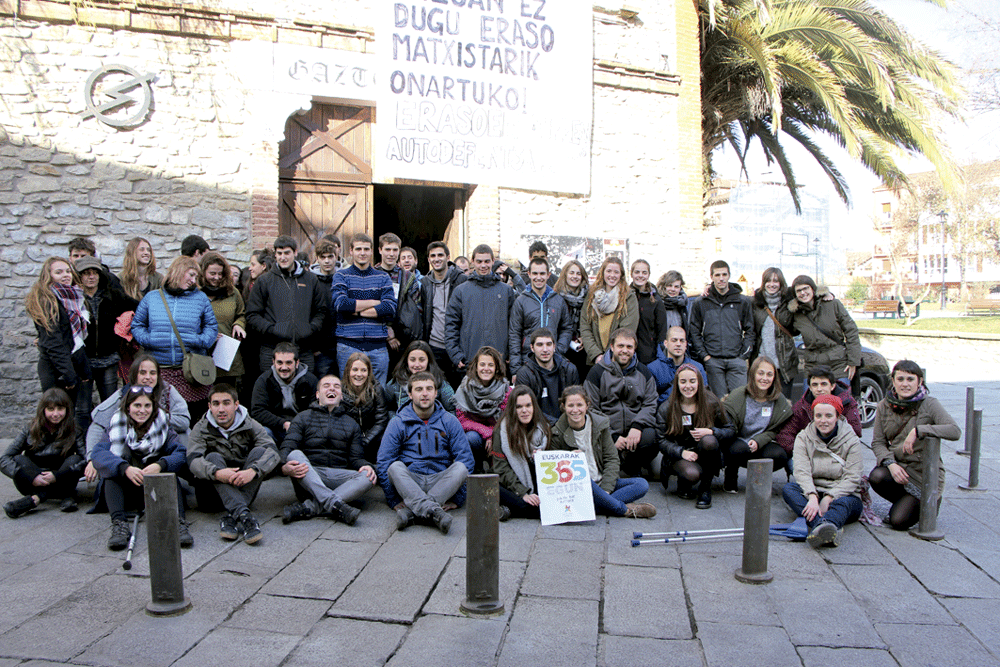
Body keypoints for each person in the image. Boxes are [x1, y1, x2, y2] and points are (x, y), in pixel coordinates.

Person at [91, 385, 192, 550]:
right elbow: (98, 454)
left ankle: (179, 523)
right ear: (128, 406)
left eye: (147, 406)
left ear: (153, 407)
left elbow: (180, 453)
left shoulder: (163, 424)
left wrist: (160, 465)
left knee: (170, 476)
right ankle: (119, 525)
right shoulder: (116, 424)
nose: (142, 411)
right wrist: (124, 467)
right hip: (125, 489)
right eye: (137, 405)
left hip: (154, 487)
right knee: (111, 475)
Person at [376, 371, 474, 533]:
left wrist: (458, 498)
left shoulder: (449, 421)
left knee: (461, 468)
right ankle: (434, 511)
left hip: (441, 481)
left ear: (436, 393)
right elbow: (384, 462)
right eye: (419, 389)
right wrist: (393, 499)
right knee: (394, 467)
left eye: (429, 389)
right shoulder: (398, 423)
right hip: (410, 481)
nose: (424, 393)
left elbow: (466, 459)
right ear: (409, 394)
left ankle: (411, 512)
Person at [868, 360, 960, 530]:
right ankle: (905, 502)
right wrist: (891, 464)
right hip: (901, 468)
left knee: (898, 522)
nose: (905, 384)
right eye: (900, 379)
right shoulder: (883, 406)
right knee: (877, 476)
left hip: (923, 476)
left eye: (910, 379)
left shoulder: (930, 404)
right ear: (893, 381)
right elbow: (878, 442)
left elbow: (954, 431)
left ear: (920, 381)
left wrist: (920, 430)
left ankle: (926, 503)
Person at [187, 384, 281, 545]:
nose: (221, 409)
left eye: (226, 403)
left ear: (236, 405)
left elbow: (273, 452)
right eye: (216, 404)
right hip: (212, 496)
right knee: (212, 456)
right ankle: (245, 516)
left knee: (260, 453)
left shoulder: (249, 423)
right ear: (209, 406)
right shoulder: (201, 427)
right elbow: (193, 461)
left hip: (241, 485)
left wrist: (253, 471)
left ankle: (233, 516)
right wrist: (216, 473)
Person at [279, 375, 376, 525]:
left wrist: (366, 466)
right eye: (326, 386)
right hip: (309, 476)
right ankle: (335, 504)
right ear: (318, 394)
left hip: (338, 479)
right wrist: (284, 468)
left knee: (368, 476)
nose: (331, 388)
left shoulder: (352, 423)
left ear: (341, 396)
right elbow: (287, 446)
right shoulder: (302, 417)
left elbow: (356, 458)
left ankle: (311, 507)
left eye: (336, 386)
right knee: (294, 454)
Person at [130, 256, 218, 419]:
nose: (194, 280)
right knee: (161, 416)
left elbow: (211, 327)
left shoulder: (200, 298)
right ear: (178, 271)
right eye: (191, 274)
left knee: (193, 417)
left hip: (190, 371)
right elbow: (136, 325)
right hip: (159, 371)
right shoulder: (152, 297)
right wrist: (149, 339)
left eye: (195, 277)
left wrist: (199, 341)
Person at [549, 386, 656, 518]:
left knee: (641, 484)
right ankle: (624, 509)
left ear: (587, 405)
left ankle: (597, 506)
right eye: (570, 405)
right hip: (581, 486)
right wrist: (569, 461)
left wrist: (606, 490)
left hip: (602, 481)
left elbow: (612, 459)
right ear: (563, 406)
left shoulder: (600, 425)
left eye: (579, 405)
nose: (575, 410)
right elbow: (556, 473)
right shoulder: (557, 433)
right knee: (584, 479)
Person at [85, 353, 191, 483]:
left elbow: (184, 421)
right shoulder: (125, 394)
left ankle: (184, 477)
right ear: (135, 375)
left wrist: (156, 419)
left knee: (184, 435)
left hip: (160, 448)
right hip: (130, 454)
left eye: (152, 373)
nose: (148, 377)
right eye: (143, 373)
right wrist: (91, 459)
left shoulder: (167, 391)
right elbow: (98, 418)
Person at [781, 393, 864, 547]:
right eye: (818, 416)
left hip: (843, 494)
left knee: (845, 504)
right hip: (814, 490)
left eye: (828, 416)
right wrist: (812, 496)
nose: (823, 420)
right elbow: (801, 471)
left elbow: (852, 477)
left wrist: (829, 497)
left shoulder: (851, 440)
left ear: (837, 417)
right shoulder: (803, 437)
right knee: (789, 490)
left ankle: (822, 525)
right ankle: (826, 528)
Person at [246, 235, 327, 374]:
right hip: (272, 350)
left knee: (304, 392)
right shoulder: (264, 281)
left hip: (303, 350)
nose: (283, 257)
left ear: (295, 252)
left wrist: (311, 328)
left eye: (287, 253)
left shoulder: (310, 279)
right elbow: (252, 314)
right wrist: (272, 329)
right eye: (279, 253)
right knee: (274, 392)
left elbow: (321, 310)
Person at [656, 365, 734, 509]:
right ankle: (683, 482)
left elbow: (730, 429)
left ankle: (705, 489)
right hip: (680, 454)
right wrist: (681, 452)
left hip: (706, 452)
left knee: (709, 441)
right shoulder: (666, 408)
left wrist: (712, 431)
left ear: (699, 382)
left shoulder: (711, 402)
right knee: (692, 474)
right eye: (683, 382)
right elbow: (661, 440)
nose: (688, 386)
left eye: (692, 381)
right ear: (677, 384)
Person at [584, 328, 658, 478]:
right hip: (607, 431)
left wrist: (637, 426)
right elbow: (591, 408)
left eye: (629, 347)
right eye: (620, 346)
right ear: (612, 346)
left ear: (635, 348)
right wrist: (612, 436)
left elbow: (650, 403)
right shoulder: (596, 373)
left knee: (652, 438)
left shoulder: (644, 372)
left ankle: (631, 465)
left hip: (634, 430)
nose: (625, 351)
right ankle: (614, 464)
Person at [74, 256, 137, 431]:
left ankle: (109, 442)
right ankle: (84, 447)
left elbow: (138, 308)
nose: (91, 277)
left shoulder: (113, 295)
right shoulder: (73, 299)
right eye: (86, 274)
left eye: (94, 273)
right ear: (79, 277)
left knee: (109, 405)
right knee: (83, 409)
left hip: (108, 359)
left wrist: (128, 332)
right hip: (83, 361)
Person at [2, 388, 85, 518]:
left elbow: (85, 460)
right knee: (18, 458)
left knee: (75, 459)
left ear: (67, 410)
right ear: (43, 410)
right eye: (51, 409)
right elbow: (4, 458)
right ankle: (64, 497)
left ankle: (37, 498)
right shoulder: (29, 428)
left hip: (62, 479)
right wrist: (32, 477)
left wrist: (56, 476)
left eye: (60, 409)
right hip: (32, 482)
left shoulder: (75, 429)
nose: (56, 414)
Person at [721, 356, 794, 492]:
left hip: (763, 443)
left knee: (779, 455)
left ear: (774, 377)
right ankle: (731, 476)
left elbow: (775, 430)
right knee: (737, 449)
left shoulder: (779, 401)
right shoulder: (738, 395)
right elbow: (728, 425)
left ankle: (757, 479)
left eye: (769, 374)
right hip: (739, 440)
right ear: (753, 374)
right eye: (761, 373)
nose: (764, 378)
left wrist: (759, 440)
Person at [331, 233, 397, 383]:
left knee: (379, 393)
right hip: (348, 346)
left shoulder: (383, 277)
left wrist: (355, 309)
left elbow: (389, 307)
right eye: (358, 249)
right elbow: (341, 305)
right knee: (349, 392)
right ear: (351, 251)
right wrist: (375, 302)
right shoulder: (341, 276)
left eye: (366, 249)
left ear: (372, 251)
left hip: (378, 347)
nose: (362, 253)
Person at [445, 244, 519, 373]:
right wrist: (456, 355)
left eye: (487, 261)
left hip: (498, 361)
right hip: (470, 361)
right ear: (473, 262)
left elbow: (514, 327)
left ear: (493, 262)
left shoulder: (507, 291)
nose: (483, 265)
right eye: (479, 261)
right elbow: (451, 326)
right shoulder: (461, 291)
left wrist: (510, 354)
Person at [778, 275, 861, 390]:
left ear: (813, 289)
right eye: (798, 291)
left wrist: (853, 361)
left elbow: (851, 331)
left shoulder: (832, 304)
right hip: (813, 364)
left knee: (842, 403)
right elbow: (784, 324)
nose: (803, 293)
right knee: (810, 405)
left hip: (837, 363)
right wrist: (789, 303)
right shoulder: (797, 315)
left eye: (806, 288)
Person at [688, 260, 755, 397]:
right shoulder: (701, 303)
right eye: (717, 275)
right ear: (711, 277)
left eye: (724, 274)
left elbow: (750, 330)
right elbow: (694, 331)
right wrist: (705, 356)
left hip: (737, 359)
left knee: (739, 400)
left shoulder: (741, 301)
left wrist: (743, 356)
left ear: (729, 275)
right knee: (717, 402)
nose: (721, 278)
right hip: (713, 361)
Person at [484, 386, 549, 520]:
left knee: (542, 503)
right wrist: (523, 493)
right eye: (519, 407)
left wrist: (543, 456)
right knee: (531, 507)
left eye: (528, 405)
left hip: (534, 481)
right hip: (508, 482)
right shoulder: (502, 431)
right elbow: (501, 469)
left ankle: (506, 510)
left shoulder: (543, 428)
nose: (524, 410)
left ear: (534, 406)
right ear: (513, 409)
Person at [776, 365, 863, 461]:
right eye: (815, 385)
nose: (819, 389)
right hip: (809, 455)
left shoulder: (847, 403)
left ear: (833, 386)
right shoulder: (801, 406)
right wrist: (803, 451)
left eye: (824, 384)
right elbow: (785, 435)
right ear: (809, 387)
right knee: (794, 465)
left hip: (838, 454)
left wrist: (830, 452)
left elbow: (855, 431)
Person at [508, 257, 572, 377]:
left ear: (548, 275)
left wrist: (558, 349)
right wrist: (516, 369)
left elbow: (566, 328)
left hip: (553, 361)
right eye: (535, 273)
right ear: (529, 274)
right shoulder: (521, 301)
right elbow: (514, 334)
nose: (539, 277)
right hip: (528, 361)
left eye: (542, 273)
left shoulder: (558, 301)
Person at [455, 346, 511, 473]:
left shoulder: (505, 390)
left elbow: (506, 421)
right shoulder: (465, 388)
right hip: (476, 437)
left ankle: (498, 473)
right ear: (476, 366)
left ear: (496, 368)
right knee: (471, 438)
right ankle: (473, 472)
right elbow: (462, 420)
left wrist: (494, 435)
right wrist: (486, 432)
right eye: (482, 364)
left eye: (490, 365)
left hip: (498, 436)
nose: (486, 369)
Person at [250, 343, 318, 445]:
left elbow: (315, 410)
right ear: (273, 362)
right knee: (263, 432)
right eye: (280, 362)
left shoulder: (310, 380)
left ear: (297, 363)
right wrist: (283, 423)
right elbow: (257, 411)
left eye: (288, 363)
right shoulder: (264, 380)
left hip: (303, 428)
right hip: (274, 427)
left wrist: (297, 425)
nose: (284, 367)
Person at [420, 241, 467, 387]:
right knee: (438, 389)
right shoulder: (425, 283)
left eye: (440, 255)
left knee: (460, 389)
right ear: (428, 260)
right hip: (435, 345)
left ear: (448, 257)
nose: (436, 259)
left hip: (458, 346)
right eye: (432, 256)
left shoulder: (461, 280)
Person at [580, 257, 639, 365]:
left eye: (616, 272)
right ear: (603, 273)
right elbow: (585, 327)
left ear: (621, 275)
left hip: (617, 359)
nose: (612, 275)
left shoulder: (629, 297)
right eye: (609, 271)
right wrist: (596, 355)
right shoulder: (591, 295)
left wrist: (609, 357)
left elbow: (627, 331)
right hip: (594, 360)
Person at [200, 252, 247, 389]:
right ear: (203, 272)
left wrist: (239, 324)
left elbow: (241, 314)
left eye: (220, 274)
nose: (217, 278)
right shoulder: (195, 294)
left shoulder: (232, 293)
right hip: (202, 355)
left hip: (226, 355)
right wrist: (207, 336)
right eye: (212, 273)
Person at [514, 328, 580, 425]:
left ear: (554, 346)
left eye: (548, 344)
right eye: (540, 345)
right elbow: (526, 410)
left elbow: (576, 404)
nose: (545, 349)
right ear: (532, 348)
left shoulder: (569, 370)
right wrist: (556, 425)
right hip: (536, 426)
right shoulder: (524, 374)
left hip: (567, 426)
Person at [375, 233, 422, 362]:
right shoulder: (371, 275)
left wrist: (397, 333)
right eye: (387, 249)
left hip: (401, 341)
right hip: (374, 338)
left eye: (395, 250)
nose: (391, 254)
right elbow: (366, 307)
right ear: (380, 250)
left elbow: (416, 309)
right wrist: (386, 332)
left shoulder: (408, 277)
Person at [751, 267, 798, 397]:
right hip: (762, 361)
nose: (772, 284)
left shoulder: (789, 302)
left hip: (784, 362)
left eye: (776, 281)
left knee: (783, 403)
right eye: (768, 281)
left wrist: (828, 294)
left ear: (781, 283)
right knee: (762, 402)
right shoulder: (755, 302)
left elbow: (809, 294)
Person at [340, 352, 390, 464]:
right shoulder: (340, 390)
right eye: (355, 370)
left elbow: (381, 420)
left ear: (368, 373)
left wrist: (366, 440)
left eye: (363, 370)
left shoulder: (376, 389)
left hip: (372, 438)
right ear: (348, 371)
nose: (359, 374)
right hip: (349, 438)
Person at [385, 341, 457, 413]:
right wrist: (397, 421)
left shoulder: (439, 381)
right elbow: (388, 408)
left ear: (429, 361)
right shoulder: (396, 381)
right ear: (406, 361)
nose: (417, 364)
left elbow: (451, 409)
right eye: (412, 360)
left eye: (421, 360)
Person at [647, 326, 707, 404]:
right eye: (674, 340)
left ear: (686, 344)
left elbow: (704, 395)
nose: (678, 344)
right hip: (664, 413)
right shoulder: (652, 369)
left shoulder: (698, 368)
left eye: (681, 341)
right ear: (666, 343)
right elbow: (650, 400)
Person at [554, 259, 590, 381]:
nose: (575, 276)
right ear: (565, 275)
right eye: (571, 273)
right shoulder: (556, 297)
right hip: (562, 348)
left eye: (578, 273)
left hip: (583, 348)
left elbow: (592, 321)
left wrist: (584, 337)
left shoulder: (589, 296)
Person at [309, 236, 340, 378]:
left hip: (343, 344)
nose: (327, 261)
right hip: (321, 349)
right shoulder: (310, 281)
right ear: (317, 258)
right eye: (323, 257)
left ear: (336, 256)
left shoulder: (344, 279)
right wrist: (314, 347)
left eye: (330, 256)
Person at [630, 259, 668, 366]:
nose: (640, 275)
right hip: (627, 351)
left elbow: (662, 330)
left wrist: (659, 354)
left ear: (649, 275)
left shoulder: (656, 300)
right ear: (631, 274)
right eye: (637, 272)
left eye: (644, 272)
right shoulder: (625, 296)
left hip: (649, 354)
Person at [118, 237, 163, 301]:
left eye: (148, 250)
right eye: (142, 249)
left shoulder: (158, 278)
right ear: (132, 252)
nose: (146, 253)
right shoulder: (121, 278)